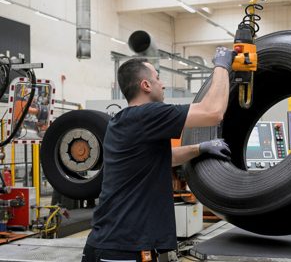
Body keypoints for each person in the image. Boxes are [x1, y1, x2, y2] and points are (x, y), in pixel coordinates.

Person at [82, 47, 235, 262]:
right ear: (145, 85)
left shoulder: (125, 120)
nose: (162, 84)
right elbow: (213, 112)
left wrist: (200, 148)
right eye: (158, 78)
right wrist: (222, 66)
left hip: (117, 245)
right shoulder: (147, 114)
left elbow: (163, 157)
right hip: (123, 250)